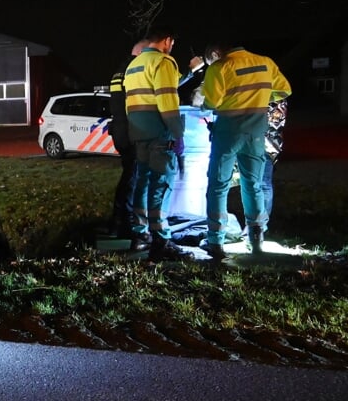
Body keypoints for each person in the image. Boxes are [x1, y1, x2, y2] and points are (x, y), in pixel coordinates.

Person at [198, 43, 292, 258]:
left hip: (228, 131)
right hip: (256, 131)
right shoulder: (265, 62)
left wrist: (204, 102)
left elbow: (212, 101)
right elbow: (285, 90)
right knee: (253, 185)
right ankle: (256, 239)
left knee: (218, 185)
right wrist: (260, 99)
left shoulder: (220, 67)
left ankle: (215, 241)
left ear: (215, 54)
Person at [123, 27, 193, 261]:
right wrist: (177, 133)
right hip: (159, 133)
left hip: (138, 132)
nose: (172, 46)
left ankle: (141, 234)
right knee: (160, 184)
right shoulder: (163, 62)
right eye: (172, 42)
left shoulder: (134, 65)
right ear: (167, 40)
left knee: (142, 183)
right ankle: (161, 240)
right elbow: (167, 101)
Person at [108, 39, 148, 248]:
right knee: (132, 179)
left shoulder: (119, 70)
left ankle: (117, 223)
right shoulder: (135, 70)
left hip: (120, 132)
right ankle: (127, 225)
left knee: (128, 177)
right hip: (131, 132)